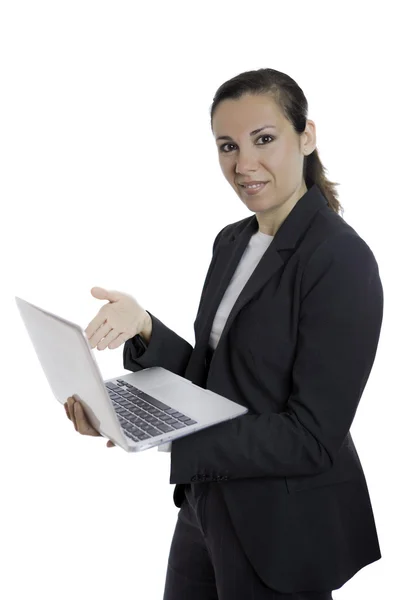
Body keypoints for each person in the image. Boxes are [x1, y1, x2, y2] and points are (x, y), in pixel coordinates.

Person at [64, 68, 384, 599]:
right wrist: (145, 329)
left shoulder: (340, 259)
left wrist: (163, 434)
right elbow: (218, 380)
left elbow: (312, 437)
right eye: (227, 146)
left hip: (279, 528)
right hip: (205, 505)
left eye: (264, 139)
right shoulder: (232, 241)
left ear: (306, 136)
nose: (244, 165)